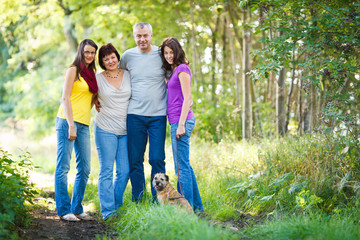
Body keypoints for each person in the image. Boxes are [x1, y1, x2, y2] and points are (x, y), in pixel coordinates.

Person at [119, 22, 167, 202]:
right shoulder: (127, 56)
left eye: (145, 35)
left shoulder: (161, 54)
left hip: (158, 116)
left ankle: (159, 200)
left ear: (151, 35)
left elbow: (175, 72)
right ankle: (138, 199)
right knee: (135, 160)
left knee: (156, 159)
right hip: (134, 115)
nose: (142, 39)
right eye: (138, 36)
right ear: (134, 37)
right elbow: (117, 78)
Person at [55, 39, 98, 221]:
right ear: (81, 51)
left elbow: (86, 97)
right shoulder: (73, 70)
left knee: (85, 168)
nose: (89, 55)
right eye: (87, 52)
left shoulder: (91, 73)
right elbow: (65, 99)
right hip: (67, 122)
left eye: (92, 53)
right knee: (63, 167)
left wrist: (95, 102)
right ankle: (64, 210)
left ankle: (77, 208)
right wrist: (71, 125)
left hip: (84, 124)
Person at [159, 37, 204, 212]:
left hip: (181, 121)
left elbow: (188, 99)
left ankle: (187, 211)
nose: (169, 56)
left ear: (178, 51)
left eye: (172, 52)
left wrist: (181, 125)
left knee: (181, 168)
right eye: (166, 53)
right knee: (185, 166)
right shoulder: (174, 70)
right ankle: (197, 207)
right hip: (177, 120)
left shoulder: (183, 69)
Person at [94, 43, 131, 219]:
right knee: (107, 171)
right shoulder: (98, 78)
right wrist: (94, 100)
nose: (110, 61)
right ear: (102, 62)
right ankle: (108, 212)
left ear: (117, 56)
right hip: (105, 128)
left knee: (124, 171)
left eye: (112, 57)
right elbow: (87, 94)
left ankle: (116, 205)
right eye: (106, 59)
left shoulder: (128, 75)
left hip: (125, 130)